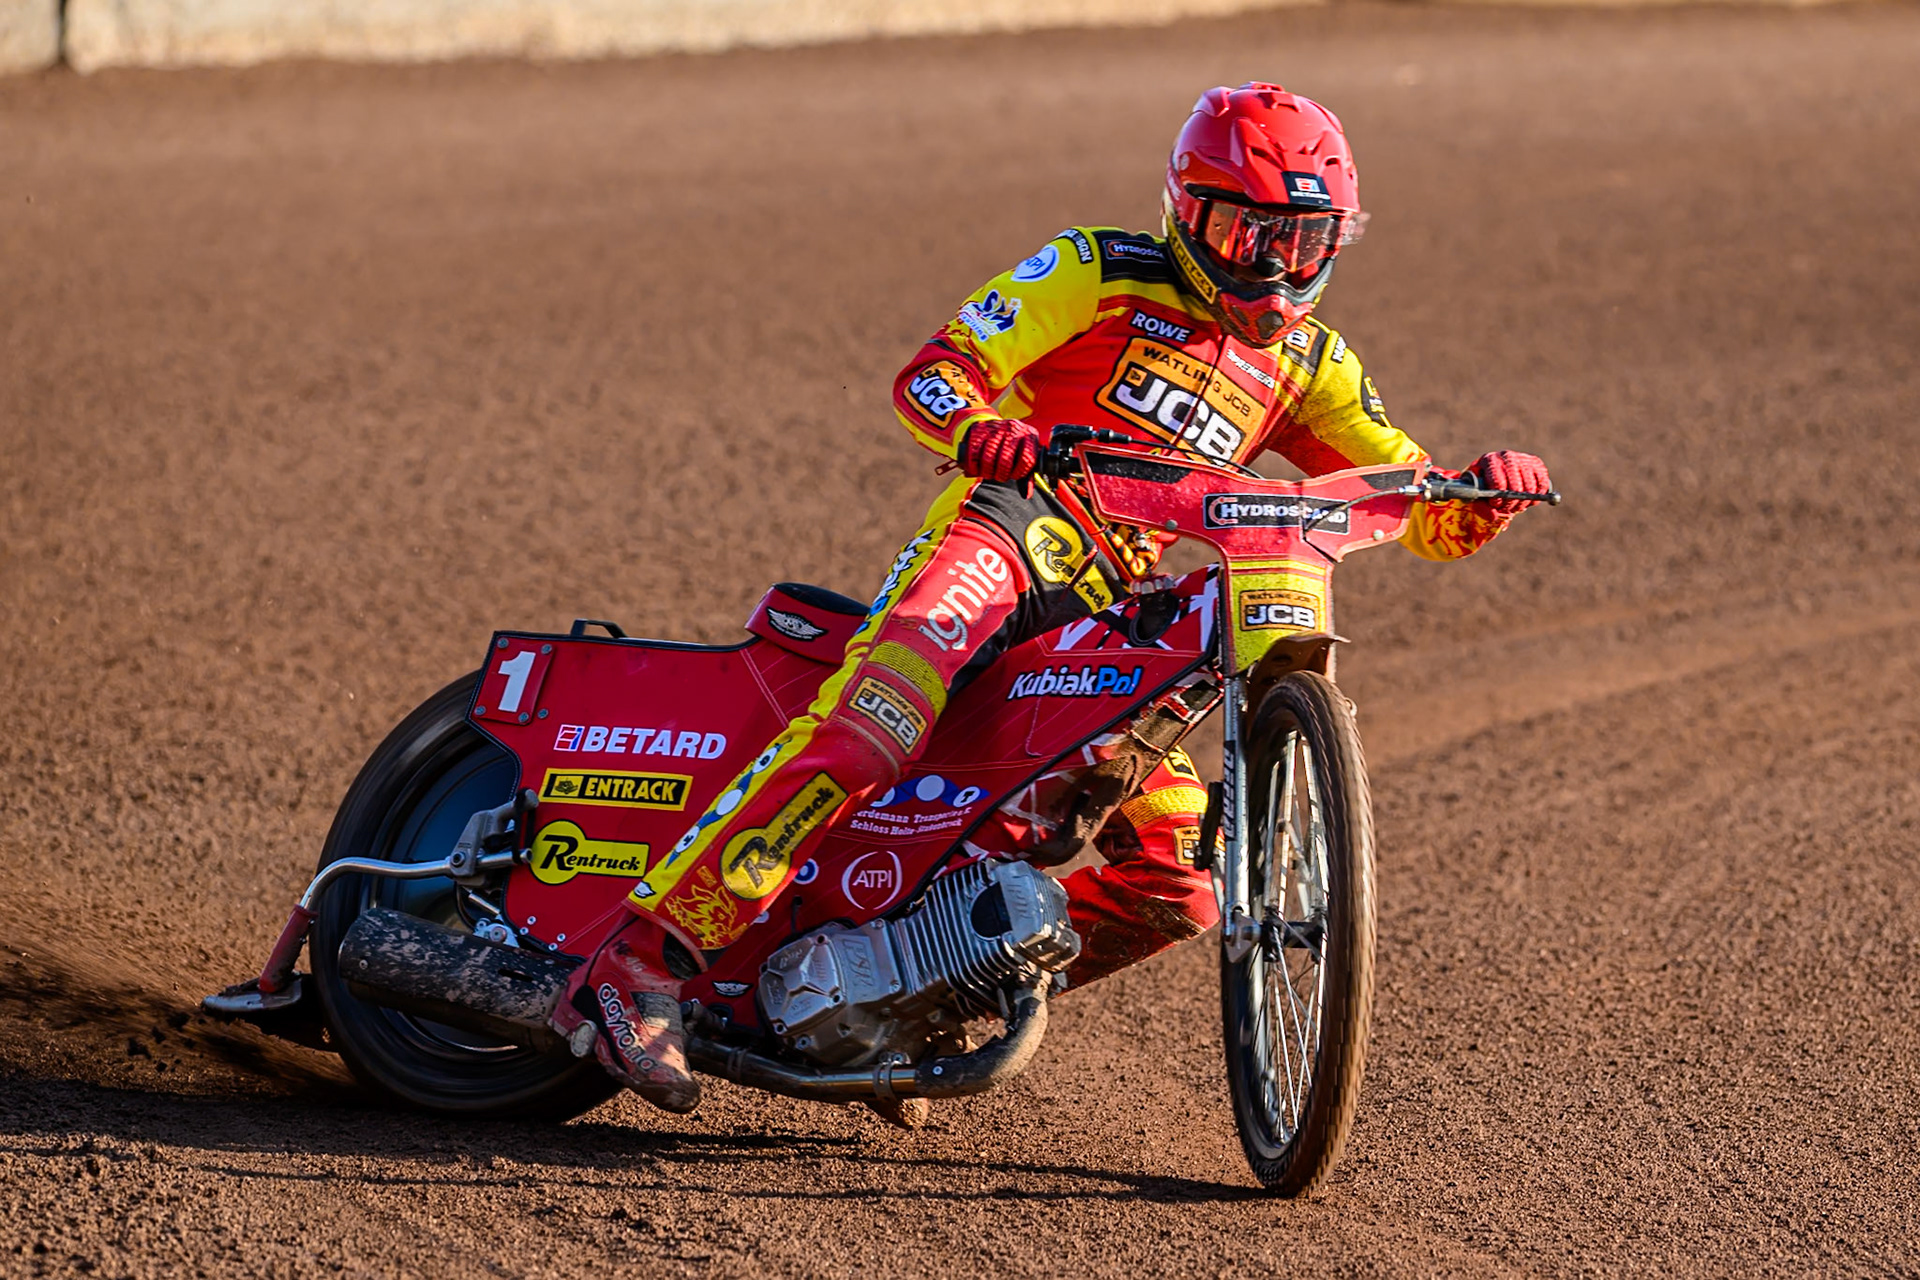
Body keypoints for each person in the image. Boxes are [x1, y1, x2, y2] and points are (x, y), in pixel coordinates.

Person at [550, 82, 1553, 1114]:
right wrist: (982, 427)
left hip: (1110, 618)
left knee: (1177, 880)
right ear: (1186, 208)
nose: (1269, 264)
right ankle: (637, 958)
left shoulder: (1311, 363)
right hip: (1007, 536)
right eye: (1243, 230)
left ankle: (918, 998)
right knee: (868, 732)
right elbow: (936, 372)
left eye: (1298, 241)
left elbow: (1416, 503)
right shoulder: (1097, 269)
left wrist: (1482, 495)